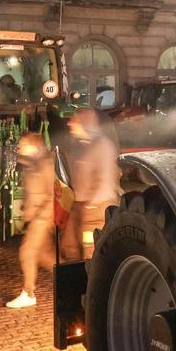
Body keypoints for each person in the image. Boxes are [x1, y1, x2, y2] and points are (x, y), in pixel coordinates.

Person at [60, 108, 121, 262]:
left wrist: (91, 205)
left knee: (90, 250)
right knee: (70, 247)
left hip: (95, 209)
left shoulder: (102, 145)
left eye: (74, 121)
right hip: (79, 205)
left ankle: (90, 283)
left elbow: (105, 179)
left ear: (84, 123)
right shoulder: (78, 145)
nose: (69, 124)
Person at [6, 133, 56, 309]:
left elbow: (53, 194)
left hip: (42, 218)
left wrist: (41, 217)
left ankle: (28, 293)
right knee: (46, 258)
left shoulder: (44, 164)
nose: (20, 147)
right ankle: (75, 280)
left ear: (34, 147)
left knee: (27, 253)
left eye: (23, 144)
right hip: (36, 217)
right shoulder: (32, 164)